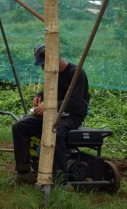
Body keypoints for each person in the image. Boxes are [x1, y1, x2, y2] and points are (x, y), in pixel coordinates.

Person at [12, 44, 90, 185]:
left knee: (55, 133)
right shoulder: (52, 73)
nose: (42, 68)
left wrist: (48, 107)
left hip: (71, 115)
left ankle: (61, 180)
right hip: (52, 113)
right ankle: (23, 172)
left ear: (53, 59)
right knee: (19, 127)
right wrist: (39, 95)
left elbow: (74, 102)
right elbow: (50, 89)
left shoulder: (76, 73)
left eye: (43, 64)